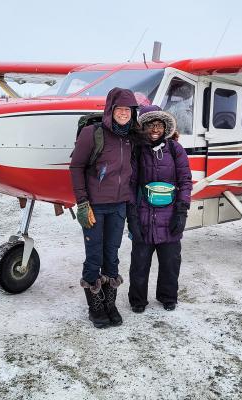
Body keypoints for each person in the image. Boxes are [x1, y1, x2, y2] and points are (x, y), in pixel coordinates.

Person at [69, 87, 139, 328]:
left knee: (112, 257)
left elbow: (156, 130)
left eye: (128, 110)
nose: (123, 113)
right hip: (95, 207)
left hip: (118, 207)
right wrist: (82, 202)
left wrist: (172, 137)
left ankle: (110, 304)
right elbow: (76, 168)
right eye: (119, 109)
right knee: (94, 258)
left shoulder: (131, 137)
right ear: (110, 110)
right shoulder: (92, 133)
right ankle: (95, 307)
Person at [127, 105, 192, 313]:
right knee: (139, 263)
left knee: (170, 262)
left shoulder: (175, 149)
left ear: (165, 128)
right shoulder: (137, 151)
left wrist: (181, 212)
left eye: (159, 125)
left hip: (170, 215)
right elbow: (130, 184)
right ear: (143, 128)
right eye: (150, 126)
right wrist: (132, 218)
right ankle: (137, 300)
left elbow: (185, 181)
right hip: (144, 215)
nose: (155, 129)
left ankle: (167, 296)